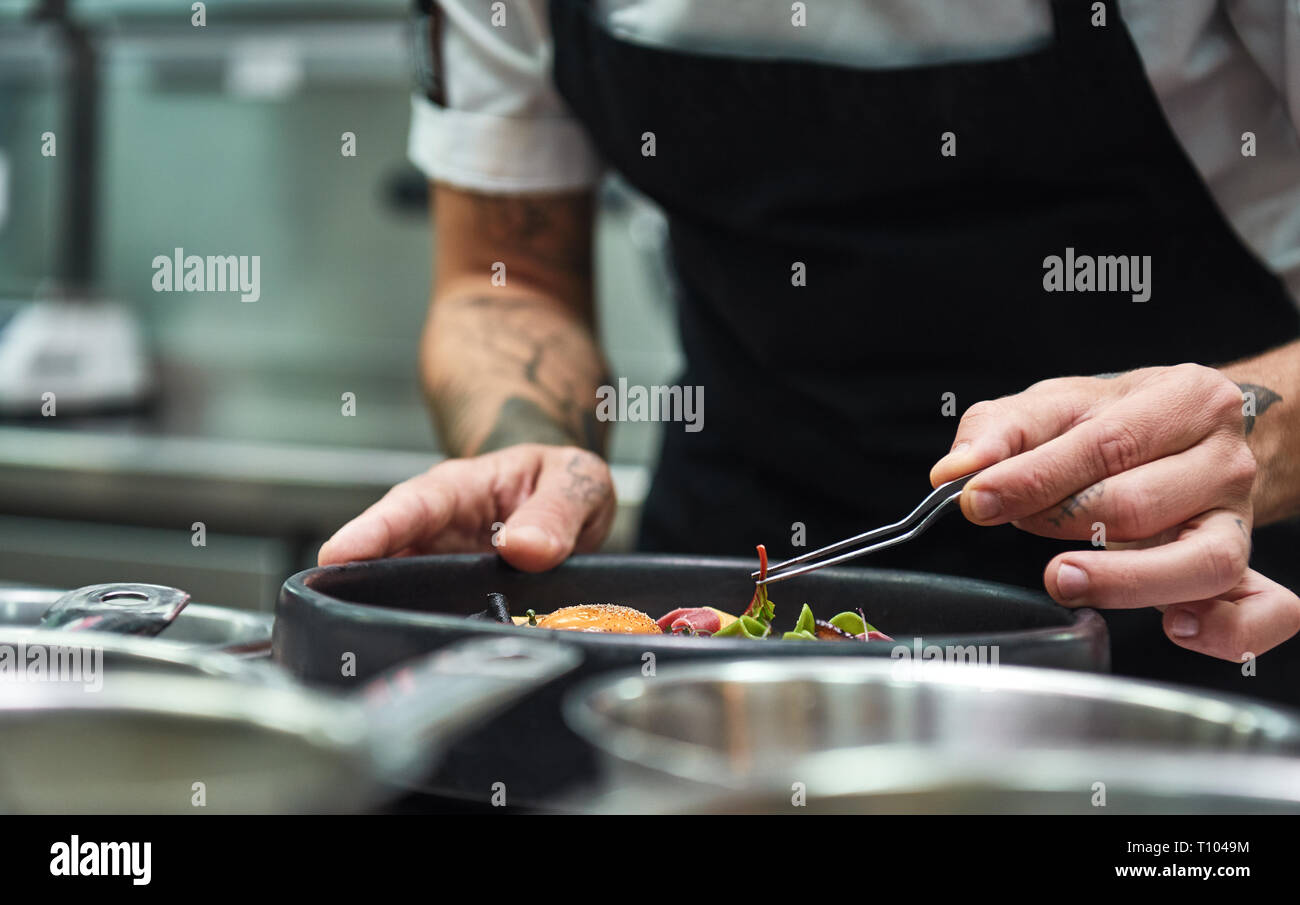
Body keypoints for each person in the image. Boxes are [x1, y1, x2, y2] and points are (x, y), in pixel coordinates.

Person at [320, 0, 1300, 705]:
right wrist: (527, 444)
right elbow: (506, 279)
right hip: (729, 595)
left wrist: (1251, 427)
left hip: (1197, 598)